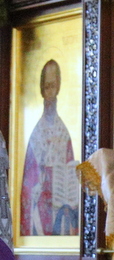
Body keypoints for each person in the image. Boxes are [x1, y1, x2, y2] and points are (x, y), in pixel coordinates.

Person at [20, 60, 78, 237]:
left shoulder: (63, 132)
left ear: (58, 87)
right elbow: (28, 180)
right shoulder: (36, 133)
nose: (50, 92)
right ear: (41, 89)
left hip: (61, 201)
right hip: (42, 200)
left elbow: (71, 170)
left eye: (53, 86)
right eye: (47, 87)